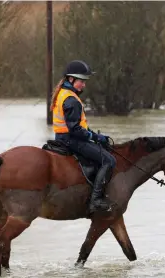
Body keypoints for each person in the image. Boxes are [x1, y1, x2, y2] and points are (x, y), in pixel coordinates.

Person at [51, 60, 116, 214]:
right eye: (81, 81)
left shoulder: (63, 93)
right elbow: (74, 129)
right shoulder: (71, 99)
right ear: (71, 79)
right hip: (70, 140)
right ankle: (96, 201)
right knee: (109, 160)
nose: (84, 85)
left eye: (84, 82)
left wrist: (93, 134)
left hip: (61, 137)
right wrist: (94, 137)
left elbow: (79, 126)